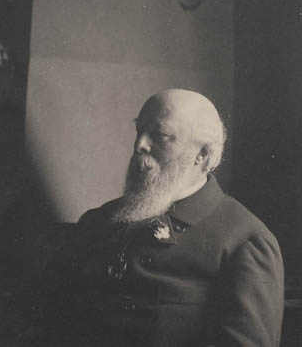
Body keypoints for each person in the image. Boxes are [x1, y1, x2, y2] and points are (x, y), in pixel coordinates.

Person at [60, 89, 284, 346]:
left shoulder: (245, 242)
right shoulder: (97, 222)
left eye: (160, 135)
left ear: (202, 154)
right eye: (139, 130)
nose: (139, 145)